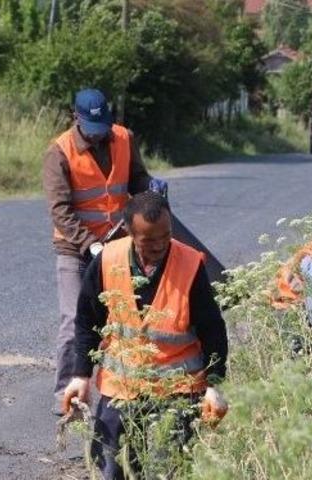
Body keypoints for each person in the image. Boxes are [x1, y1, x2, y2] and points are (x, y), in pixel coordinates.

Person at [62, 192, 229, 479]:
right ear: (129, 232)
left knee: (169, 470)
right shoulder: (106, 261)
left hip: (178, 390)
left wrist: (213, 384)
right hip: (122, 386)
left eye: (165, 236)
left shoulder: (190, 263)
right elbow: (87, 321)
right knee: (112, 466)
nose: (160, 245)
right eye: (149, 240)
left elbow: (212, 328)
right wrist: (81, 375)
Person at [42, 88, 166, 414]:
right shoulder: (59, 152)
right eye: (93, 131)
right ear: (76, 119)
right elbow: (61, 211)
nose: (100, 137)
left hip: (118, 245)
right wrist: (89, 244)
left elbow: (136, 178)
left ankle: (124, 393)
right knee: (74, 321)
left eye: (104, 129)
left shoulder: (123, 138)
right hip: (75, 249)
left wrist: (150, 185)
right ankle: (65, 399)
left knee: (127, 318)